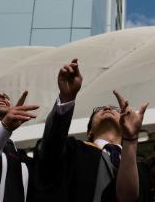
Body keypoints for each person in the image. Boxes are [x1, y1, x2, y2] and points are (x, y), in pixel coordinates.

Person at [34, 58, 123, 202]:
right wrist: (67, 98)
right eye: (99, 110)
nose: (107, 108)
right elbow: (51, 148)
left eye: (114, 109)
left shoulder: (136, 166)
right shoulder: (73, 151)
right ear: (89, 132)